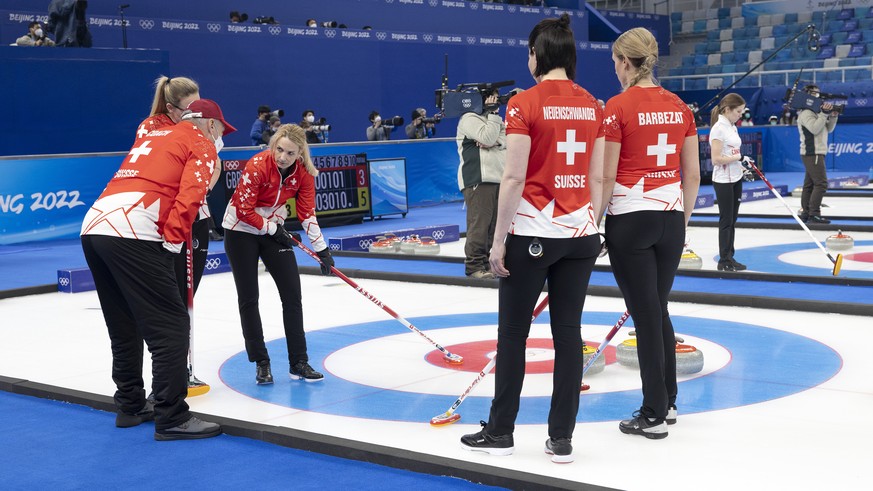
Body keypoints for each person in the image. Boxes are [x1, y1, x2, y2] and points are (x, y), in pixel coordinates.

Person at [460, 13, 605, 464]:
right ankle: (561, 437)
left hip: (534, 233)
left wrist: (498, 240)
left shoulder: (524, 104)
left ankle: (501, 429)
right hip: (581, 233)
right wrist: (590, 224)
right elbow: (598, 176)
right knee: (568, 335)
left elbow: (514, 176)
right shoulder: (593, 104)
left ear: (536, 55)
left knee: (513, 336)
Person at [80, 99, 235, 440]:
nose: (222, 137)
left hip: (95, 224)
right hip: (134, 228)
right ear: (210, 124)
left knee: (124, 322)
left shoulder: (157, 135)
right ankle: (171, 415)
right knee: (172, 325)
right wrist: (173, 243)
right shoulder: (201, 142)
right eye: (223, 130)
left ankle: (131, 405)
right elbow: (191, 195)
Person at [599, 27, 700, 439]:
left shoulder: (618, 106)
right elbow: (692, 173)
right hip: (671, 217)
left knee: (646, 315)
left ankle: (654, 412)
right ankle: (670, 401)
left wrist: (592, 220)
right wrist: (681, 219)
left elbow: (607, 175)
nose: (615, 72)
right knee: (658, 310)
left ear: (625, 62)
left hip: (630, 219)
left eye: (615, 64)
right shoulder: (680, 107)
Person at [222, 124, 335, 385]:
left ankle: (299, 362)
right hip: (240, 231)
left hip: (273, 230)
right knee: (249, 298)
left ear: (300, 154)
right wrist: (273, 228)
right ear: (274, 145)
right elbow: (243, 211)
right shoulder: (257, 165)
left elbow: (307, 213)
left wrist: (322, 250)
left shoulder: (304, 173)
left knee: (292, 295)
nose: (283, 157)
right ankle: (261, 362)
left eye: (290, 153)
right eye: (279, 150)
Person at [135, 76, 219, 302]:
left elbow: (216, 166)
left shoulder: (201, 124)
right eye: (189, 109)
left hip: (195, 213)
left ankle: (182, 336)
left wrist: (202, 190)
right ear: (171, 107)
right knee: (168, 296)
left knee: (189, 295)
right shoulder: (151, 126)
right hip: (163, 218)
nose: (196, 113)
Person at [455, 88, 506, 279]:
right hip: (478, 178)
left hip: (497, 177)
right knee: (480, 224)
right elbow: (488, 137)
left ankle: (487, 263)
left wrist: (494, 140)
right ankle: (474, 266)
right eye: (491, 96)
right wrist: (493, 119)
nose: (495, 100)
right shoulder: (469, 118)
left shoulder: (493, 120)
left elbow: (507, 139)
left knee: (494, 226)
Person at [709, 93, 750, 272]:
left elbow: (732, 154)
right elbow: (716, 159)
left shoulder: (732, 127)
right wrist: (738, 157)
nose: (741, 115)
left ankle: (730, 257)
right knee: (726, 220)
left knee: (733, 220)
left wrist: (741, 165)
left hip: (735, 177)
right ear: (728, 110)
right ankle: (723, 260)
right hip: (723, 180)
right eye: (738, 111)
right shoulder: (718, 128)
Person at [797, 84, 838, 224]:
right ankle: (814, 213)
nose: (817, 95)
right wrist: (824, 114)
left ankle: (806, 213)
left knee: (810, 184)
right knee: (821, 183)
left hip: (816, 152)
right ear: (807, 95)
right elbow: (814, 129)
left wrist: (832, 117)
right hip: (812, 152)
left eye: (818, 93)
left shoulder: (815, 111)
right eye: (815, 93)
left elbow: (828, 129)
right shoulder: (806, 113)